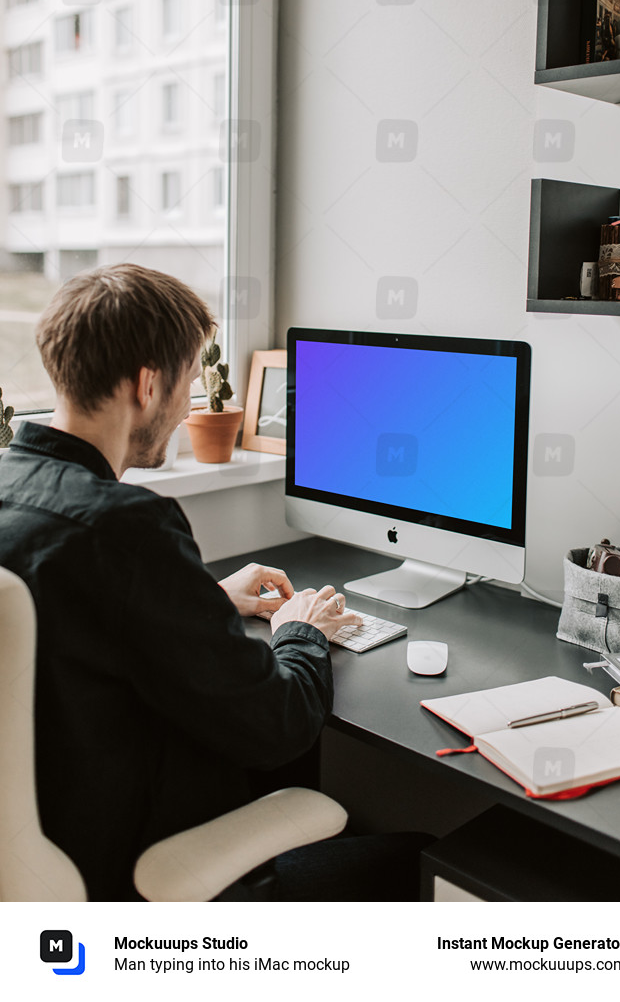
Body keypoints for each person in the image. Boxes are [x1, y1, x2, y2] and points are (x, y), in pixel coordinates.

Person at [0, 264, 428, 901]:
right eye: (189, 384)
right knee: (418, 858)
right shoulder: (127, 527)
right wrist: (300, 631)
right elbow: (277, 726)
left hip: (49, 842)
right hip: (126, 869)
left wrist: (203, 602)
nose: (187, 408)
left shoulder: (15, 489)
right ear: (148, 384)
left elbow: (51, 621)